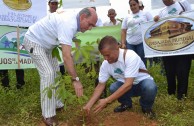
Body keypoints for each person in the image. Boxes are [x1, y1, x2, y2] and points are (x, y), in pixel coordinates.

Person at [24, 7, 97, 126]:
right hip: (34, 41)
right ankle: (48, 115)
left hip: (48, 46)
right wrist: (75, 80)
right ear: (83, 17)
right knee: (48, 73)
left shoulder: (75, 19)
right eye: (89, 24)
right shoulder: (68, 23)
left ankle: (57, 104)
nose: (89, 28)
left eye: (92, 26)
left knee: (56, 73)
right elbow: (67, 56)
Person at [83, 36, 157, 118]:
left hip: (142, 83)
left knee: (150, 87)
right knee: (113, 87)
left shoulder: (130, 56)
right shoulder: (105, 64)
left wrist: (107, 100)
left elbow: (128, 84)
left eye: (108, 55)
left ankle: (146, 107)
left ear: (117, 48)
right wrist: (88, 105)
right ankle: (126, 104)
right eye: (103, 55)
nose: (106, 58)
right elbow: (100, 85)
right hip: (126, 85)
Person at [154, 0, 192, 100]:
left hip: (184, 46)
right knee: (169, 71)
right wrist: (156, 20)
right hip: (168, 48)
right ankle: (171, 92)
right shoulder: (162, 12)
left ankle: (182, 95)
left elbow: (191, 18)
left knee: (182, 70)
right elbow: (159, 27)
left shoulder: (183, 4)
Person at [120, 0, 153, 67]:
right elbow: (123, 31)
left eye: (134, 4)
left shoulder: (145, 14)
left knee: (142, 60)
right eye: (131, 5)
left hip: (142, 42)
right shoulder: (127, 17)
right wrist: (123, 43)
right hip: (130, 43)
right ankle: (134, 76)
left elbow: (152, 25)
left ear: (138, 4)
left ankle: (143, 75)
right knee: (132, 61)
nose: (133, 7)